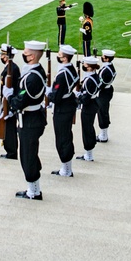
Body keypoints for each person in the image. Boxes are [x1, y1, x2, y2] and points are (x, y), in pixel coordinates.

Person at [9, 40, 48, 200]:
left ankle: (33, 192)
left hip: (30, 121)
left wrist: (9, 96)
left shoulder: (32, 78)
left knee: (27, 156)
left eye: (25, 53)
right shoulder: (36, 70)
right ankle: (34, 188)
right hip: (33, 118)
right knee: (29, 154)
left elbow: (19, 101)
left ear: (31, 56)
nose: (23, 55)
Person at [49, 44, 79, 177]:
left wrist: (49, 93)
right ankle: (67, 168)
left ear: (64, 58)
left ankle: (66, 170)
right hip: (68, 104)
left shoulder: (62, 75)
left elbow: (55, 97)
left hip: (62, 108)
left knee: (62, 138)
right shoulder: (71, 69)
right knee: (66, 136)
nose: (57, 55)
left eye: (60, 54)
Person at [75, 56, 101, 163]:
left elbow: (85, 99)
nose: (83, 66)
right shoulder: (94, 77)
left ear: (90, 68)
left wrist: (77, 96)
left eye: (85, 65)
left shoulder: (90, 80)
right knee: (88, 127)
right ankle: (89, 152)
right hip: (93, 104)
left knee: (87, 129)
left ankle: (89, 154)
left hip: (89, 106)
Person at [0, 44, 20, 160]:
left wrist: (11, 107)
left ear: (6, 56)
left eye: (2, 55)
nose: (1, 57)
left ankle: (11, 153)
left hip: (10, 104)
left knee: (10, 129)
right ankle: (9, 150)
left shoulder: (12, 69)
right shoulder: (9, 67)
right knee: (7, 128)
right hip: (6, 102)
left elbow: (15, 88)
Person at [96, 49, 116, 143]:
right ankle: (103, 133)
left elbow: (101, 83)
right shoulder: (109, 67)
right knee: (103, 112)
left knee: (102, 112)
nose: (102, 57)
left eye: (103, 56)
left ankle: (103, 135)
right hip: (107, 91)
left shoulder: (106, 70)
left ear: (107, 59)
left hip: (104, 92)